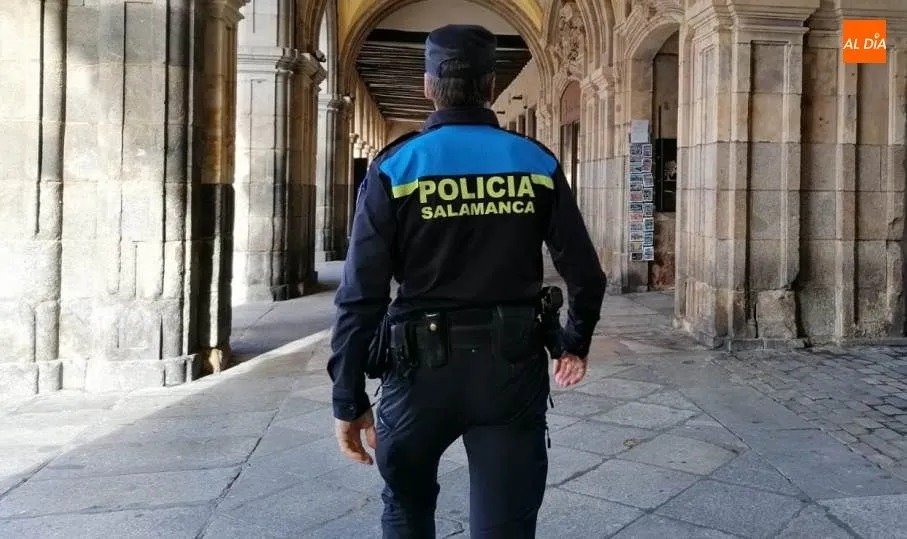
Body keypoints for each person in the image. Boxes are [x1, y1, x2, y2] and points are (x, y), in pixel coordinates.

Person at [327, 24, 607, 539]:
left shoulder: (397, 165)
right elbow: (586, 274)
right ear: (491, 84)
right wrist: (573, 342)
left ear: (429, 85)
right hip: (511, 368)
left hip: (416, 375)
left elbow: (360, 294)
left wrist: (348, 396)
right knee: (506, 524)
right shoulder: (536, 161)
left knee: (407, 512)